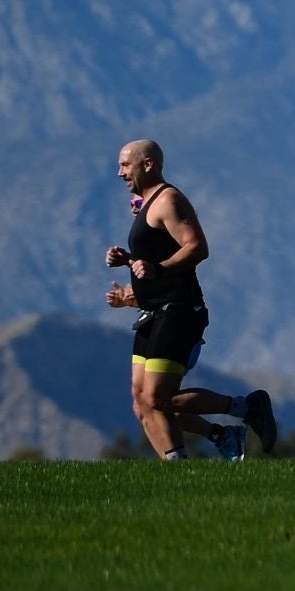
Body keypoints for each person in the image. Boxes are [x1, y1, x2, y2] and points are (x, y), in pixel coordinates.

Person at [102, 139, 275, 461]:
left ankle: (245, 407)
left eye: (125, 165)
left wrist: (158, 268)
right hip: (152, 312)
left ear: (148, 164)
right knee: (141, 402)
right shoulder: (146, 204)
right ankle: (180, 465)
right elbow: (153, 265)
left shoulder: (168, 200)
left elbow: (196, 247)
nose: (119, 173)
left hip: (178, 312)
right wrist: (127, 267)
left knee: (157, 397)